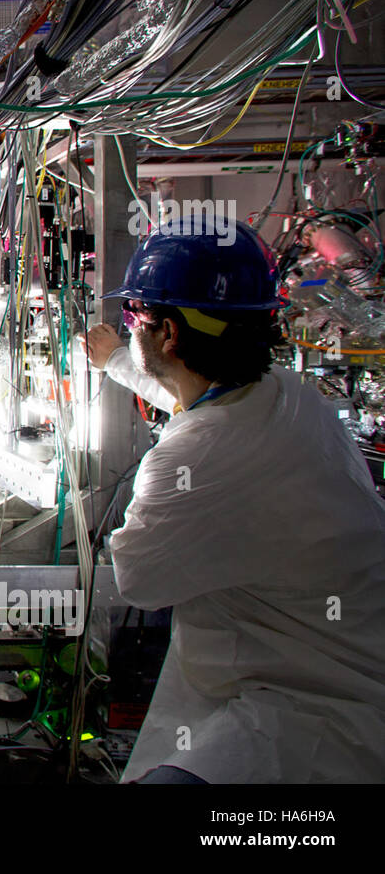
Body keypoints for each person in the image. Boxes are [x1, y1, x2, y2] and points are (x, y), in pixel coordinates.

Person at [78, 217, 385, 784]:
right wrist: (118, 359)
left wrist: (149, 484)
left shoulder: (188, 458)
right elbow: (191, 399)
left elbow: (139, 579)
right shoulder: (289, 397)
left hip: (307, 720)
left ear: (168, 333)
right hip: (346, 673)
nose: (128, 325)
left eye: (134, 317)